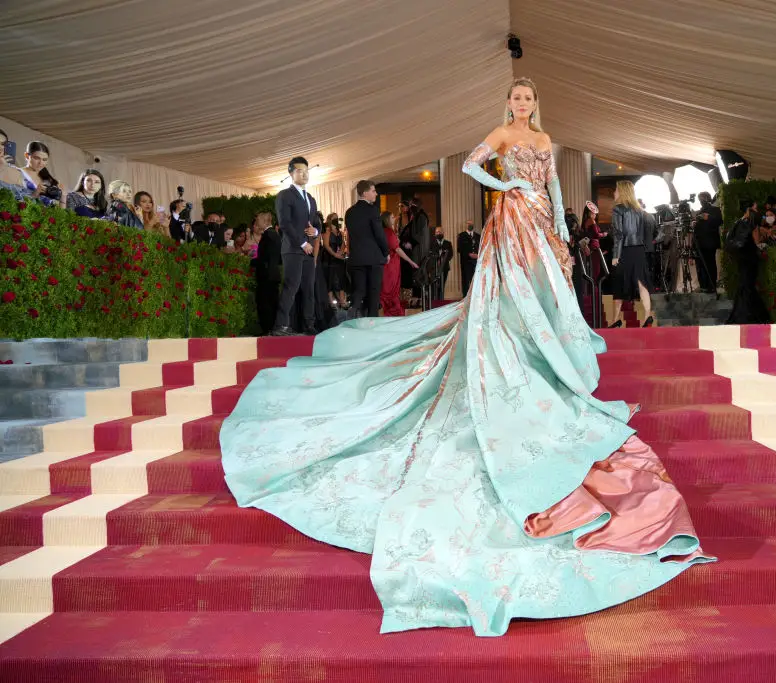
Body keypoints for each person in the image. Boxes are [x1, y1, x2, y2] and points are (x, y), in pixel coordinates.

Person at [219, 77, 712, 639]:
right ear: (508, 103)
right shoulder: (501, 133)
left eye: (528, 99)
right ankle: (502, 355)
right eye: (517, 99)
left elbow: (551, 184)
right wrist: (506, 188)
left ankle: (535, 361)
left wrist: (556, 225)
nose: (522, 105)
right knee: (506, 299)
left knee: (541, 299)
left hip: (537, 227)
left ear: (534, 104)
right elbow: (472, 168)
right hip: (509, 221)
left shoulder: (545, 138)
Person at [271, 156, 322, 336]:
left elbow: (317, 222)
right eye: (300, 171)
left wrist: (315, 233)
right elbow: (284, 223)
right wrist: (302, 243)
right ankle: (281, 325)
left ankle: (309, 324)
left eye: (306, 171)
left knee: (309, 288)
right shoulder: (284, 195)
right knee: (291, 287)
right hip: (293, 249)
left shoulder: (310, 198)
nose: (304, 174)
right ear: (291, 173)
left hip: (307, 251)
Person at [608, 180, 656, 328]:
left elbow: (618, 235)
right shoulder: (641, 211)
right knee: (642, 283)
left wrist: (616, 255)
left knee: (620, 284)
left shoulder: (618, 209)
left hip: (625, 250)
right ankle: (647, 315)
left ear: (621, 191)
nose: (614, 192)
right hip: (639, 250)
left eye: (616, 189)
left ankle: (615, 319)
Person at [344, 179, 389, 318]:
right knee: (374, 292)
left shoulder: (349, 212)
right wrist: (386, 252)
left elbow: (350, 235)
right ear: (365, 193)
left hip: (356, 258)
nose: (376, 194)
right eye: (373, 191)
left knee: (359, 290)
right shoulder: (373, 210)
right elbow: (379, 234)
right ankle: (372, 322)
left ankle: (353, 310)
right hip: (373, 258)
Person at [724, 199, 771, 324]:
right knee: (747, 287)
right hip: (748, 260)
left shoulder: (738, 222)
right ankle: (747, 317)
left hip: (743, 260)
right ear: (749, 209)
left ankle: (752, 316)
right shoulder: (748, 223)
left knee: (746, 287)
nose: (757, 210)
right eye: (755, 208)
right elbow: (753, 242)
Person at [380, 211, 419, 316]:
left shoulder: (385, 231)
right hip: (391, 267)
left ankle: (391, 314)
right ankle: (394, 314)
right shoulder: (388, 231)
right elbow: (397, 249)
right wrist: (411, 262)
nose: (394, 218)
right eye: (392, 217)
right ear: (387, 219)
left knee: (391, 291)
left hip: (390, 265)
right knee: (391, 291)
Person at [252, 212, 281, 335]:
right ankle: (272, 329)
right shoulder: (275, 235)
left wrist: (251, 261)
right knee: (272, 302)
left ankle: (267, 329)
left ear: (264, 222)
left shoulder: (268, 236)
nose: (257, 223)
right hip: (274, 274)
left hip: (266, 275)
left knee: (265, 303)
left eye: (258, 221)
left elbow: (264, 258)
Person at [693, 192, 722, 293]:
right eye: (699, 199)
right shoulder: (699, 212)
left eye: (701, 198)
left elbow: (719, 221)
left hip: (710, 243)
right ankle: (703, 285)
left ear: (707, 198)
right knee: (701, 265)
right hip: (700, 243)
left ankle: (712, 286)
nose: (700, 201)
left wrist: (708, 218)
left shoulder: (715, 210)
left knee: (710, 264)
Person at [456, 220, 480, 297]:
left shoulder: (478, 236)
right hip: (466, 261)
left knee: (476, 280)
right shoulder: (461, 235)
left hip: (476, 261)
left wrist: (478, 255)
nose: (470, 225)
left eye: (472, 224)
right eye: (469, 223)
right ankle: (465, 297)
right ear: (466, 225)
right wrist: (468, 254)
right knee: (466, 280)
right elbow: (459, 249)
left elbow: (481, 247)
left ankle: (475, 296)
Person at [429, 226, 454, 295]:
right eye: (437, 232)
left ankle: (441, 300)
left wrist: (443, 260)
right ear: (435, 234)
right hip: (434, 268)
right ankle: (434, 301)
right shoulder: (431, 243)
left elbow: (451, 254)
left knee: (443, 284)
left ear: (443, 233)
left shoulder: (448, 243)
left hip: (444, 267)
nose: (438, 233)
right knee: (434, 285)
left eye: (439, 232)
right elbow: (430, 255)